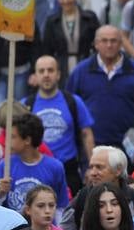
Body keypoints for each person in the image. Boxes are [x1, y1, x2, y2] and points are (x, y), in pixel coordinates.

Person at [66, 25, 134, 150]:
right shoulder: (81, 71)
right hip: (91, 146)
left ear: (121, 44)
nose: (109, 45)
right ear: (96, 44)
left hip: (127, 146)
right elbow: (70, 105)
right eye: (104, 41)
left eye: (113, 41)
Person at [26, 54, 95, 196]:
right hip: (37, 171)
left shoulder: (74, 102)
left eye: (50, 70)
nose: (46, 75)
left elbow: (86, 134)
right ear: (35, 76)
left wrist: (92, 167)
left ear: (58, 74)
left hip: (68, 171)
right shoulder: (26, 105)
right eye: (41, 71)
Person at [0, 111, 69, 214]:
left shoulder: (55, 167)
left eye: (13, 137)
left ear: (27, 140)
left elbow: (61, 206)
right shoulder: (5, 165)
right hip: (13, 223)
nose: (7, 141)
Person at [41, 0, 100, 74]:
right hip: (61, 68)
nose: (65, 1)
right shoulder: (52, 21)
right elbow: (47, 49)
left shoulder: (90, 18)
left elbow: (98, 43)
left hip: (86, 65)